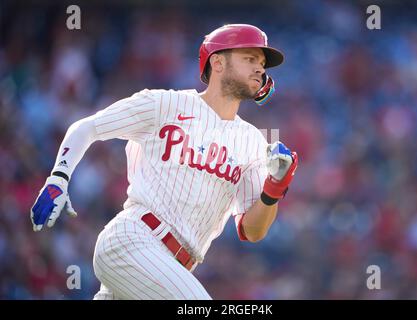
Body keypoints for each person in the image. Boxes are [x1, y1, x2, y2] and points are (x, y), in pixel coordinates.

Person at [30, 24, 299, 300]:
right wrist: (58, 179)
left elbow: (252, 231)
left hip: (170, 270)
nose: (260, 69)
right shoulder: (166, 104)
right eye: (250, 59)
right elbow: (87, 128)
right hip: (133, 240)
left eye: (263, 63)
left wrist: (274, 188)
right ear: (218, 62)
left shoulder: (254, 142)